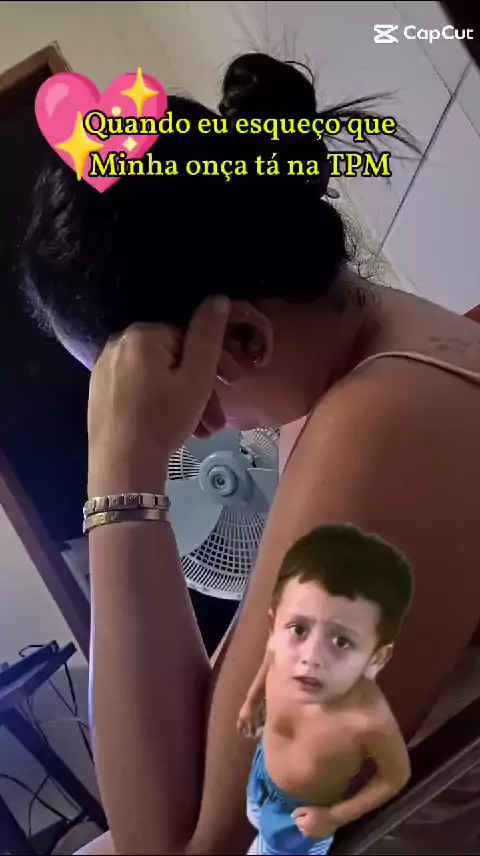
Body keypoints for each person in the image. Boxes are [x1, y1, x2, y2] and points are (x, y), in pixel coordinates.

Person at [19, 51, 480, 855]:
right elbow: (208, 735)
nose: (189, 431)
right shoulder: (362, 370)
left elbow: (177, 847)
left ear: (241, 339)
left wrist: (121, 471)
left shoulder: (381, 430)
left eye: (147, 387)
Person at [238, 524, 413, 856]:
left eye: (341, 641)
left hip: (301, 818)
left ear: (376, 657)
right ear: (274, 626)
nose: (310, 658)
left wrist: (334, 817)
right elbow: (270, 656)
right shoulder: (282, 654)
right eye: (298, 629)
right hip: (262, 774)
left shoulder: (368, 719)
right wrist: (251, 701)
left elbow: (395, 777)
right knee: (254, 818)